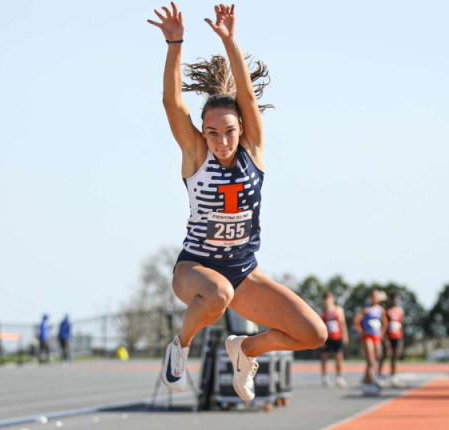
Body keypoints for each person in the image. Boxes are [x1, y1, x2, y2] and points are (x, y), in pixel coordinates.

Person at [148, 3, 327, 402]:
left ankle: (245, 350)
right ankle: (180, 346)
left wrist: (230, 41)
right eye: (212, 133)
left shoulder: (254, 151)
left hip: (244, 272)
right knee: (218, 295)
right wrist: (175, 43)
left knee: (315, 334)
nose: (221, 141)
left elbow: (244, 94)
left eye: (228, 132)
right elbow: (171, 103)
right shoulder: (197, 156)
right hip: (196, 268)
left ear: (241, 128)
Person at [353, 290, 388, 395]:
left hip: (376, 336)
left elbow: (385, 322)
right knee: (371, 361)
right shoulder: (366, 310)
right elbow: (356, 321)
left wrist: (382, 333)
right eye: (372, 296)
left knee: (376, 359)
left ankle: (368, 380)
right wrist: (361, 332)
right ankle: (368, 384)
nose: (374, 298)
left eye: (376, 296)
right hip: (367, 336)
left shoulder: (380, 310)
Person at [320, 292, 348, 388]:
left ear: (333, 299)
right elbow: (320, 326)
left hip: (337, 337)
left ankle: (339, 377)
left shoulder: (339, 310)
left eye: (329, 298)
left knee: (339, 357)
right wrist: (321, 340)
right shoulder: (323, 312)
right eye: (326, 299)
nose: (328, 300)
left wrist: (345, 335)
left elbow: (343, 323)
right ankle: (325, 378)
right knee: (325, 358)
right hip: (327, 338)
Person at [378, 291, 405, 387]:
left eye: (397, 298)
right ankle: (379, 374)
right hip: (388, 336)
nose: (395, 300)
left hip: (397, 336)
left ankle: (393, 376)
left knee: (395, 357)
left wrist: (401, 338)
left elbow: (401, 325)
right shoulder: (386, 310)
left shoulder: (400, 311)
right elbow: (384, 324)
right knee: (385, 355)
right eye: (394, 298)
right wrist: (384, 338)